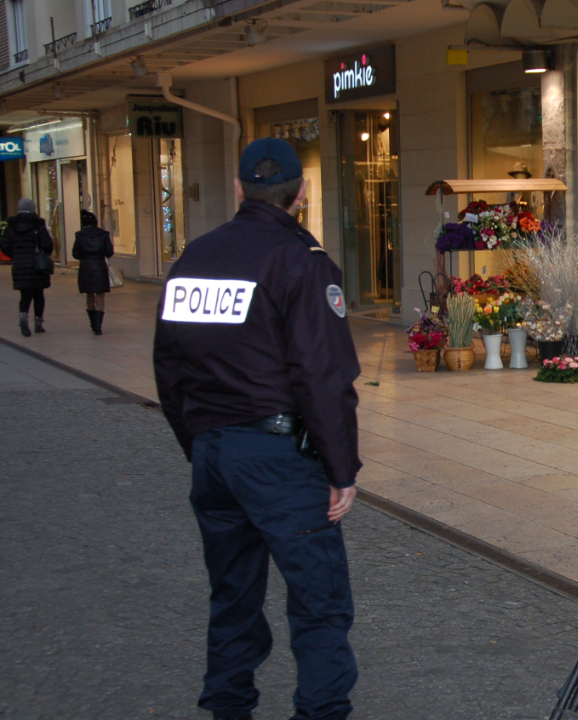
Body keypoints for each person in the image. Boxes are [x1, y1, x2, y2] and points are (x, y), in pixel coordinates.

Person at [153, 138, 362, 720]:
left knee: (232, 596)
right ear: (300, 193)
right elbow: (323, 375)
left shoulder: (193, 258)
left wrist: (198, 445)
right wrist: (340, 469)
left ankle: (227, 706)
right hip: (279, 459)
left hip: (214, 454)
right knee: (319, 603)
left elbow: (168, 368)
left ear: (240, 188)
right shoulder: (302, 261)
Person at [0, 198, 55, 337]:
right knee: (38, 294)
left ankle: (23, 316)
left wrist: (15, 255)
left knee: (25, 294)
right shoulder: (38, 224)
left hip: (20, 264)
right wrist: (44, 254)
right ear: (33, 208)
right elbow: (47, 243)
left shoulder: (11, 225)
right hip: (37, 264)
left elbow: (4, 244)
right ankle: (38, 323)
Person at [72, 209, 114, 335]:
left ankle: (92, 323)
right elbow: (109, 252)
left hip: (86, 268)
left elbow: (75, 253)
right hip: (100, 267)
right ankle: (98, 325)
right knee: (100, 296)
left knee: (89, 295)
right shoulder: (103, 234)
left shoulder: (80, 235)